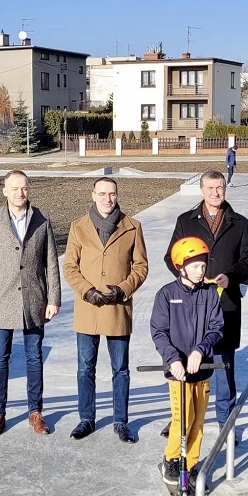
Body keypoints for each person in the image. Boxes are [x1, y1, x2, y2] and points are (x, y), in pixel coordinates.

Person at [162, 170, 248, 442]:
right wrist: (188, 279)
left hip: (225, 305)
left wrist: (231, 276)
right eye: (210, 188)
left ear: (225, 188)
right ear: (201, 190)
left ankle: (226, 423)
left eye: (220, 188)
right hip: (191, 306)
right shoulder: (186, 221)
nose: (216, 193)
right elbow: (171, 257)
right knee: (187, 364)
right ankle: (180, 419)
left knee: (223, 367)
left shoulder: (239, 223)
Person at [63, 177, 149, 443]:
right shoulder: (78, 227)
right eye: (101, 194)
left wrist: (123, 290)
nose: (107, 199)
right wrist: (86, 290)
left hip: (117, 308)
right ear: (93, 195)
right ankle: (86, 418)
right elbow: (70, 267)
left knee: (120, 368)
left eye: (111, 194)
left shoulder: (132, 226)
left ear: (117, 195)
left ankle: (120, 421)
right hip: (88, 308)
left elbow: (141, 267)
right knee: (85, 367)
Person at [0, 170, 61, 437]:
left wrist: (53, 298)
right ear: (4, 191)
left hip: (34, 299)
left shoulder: (42, 218)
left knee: (34, 357)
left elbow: (51, 262)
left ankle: (35, 412)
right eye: (14, 188)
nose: (20, 193)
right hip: (1, 300)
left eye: (24, 188)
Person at [152, 237, 224, 495]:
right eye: (195, 266)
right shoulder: (166, 295)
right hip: (178, 374)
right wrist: (172, 358)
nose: (201, 271)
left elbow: (216, 328)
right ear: (180, 267)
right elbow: (159, 332)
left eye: (203, 266)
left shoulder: (209, 293)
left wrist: (200, 350)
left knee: (198, 422)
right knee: (183, 419)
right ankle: (171, 460)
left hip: (202, 371)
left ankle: (191, 464)